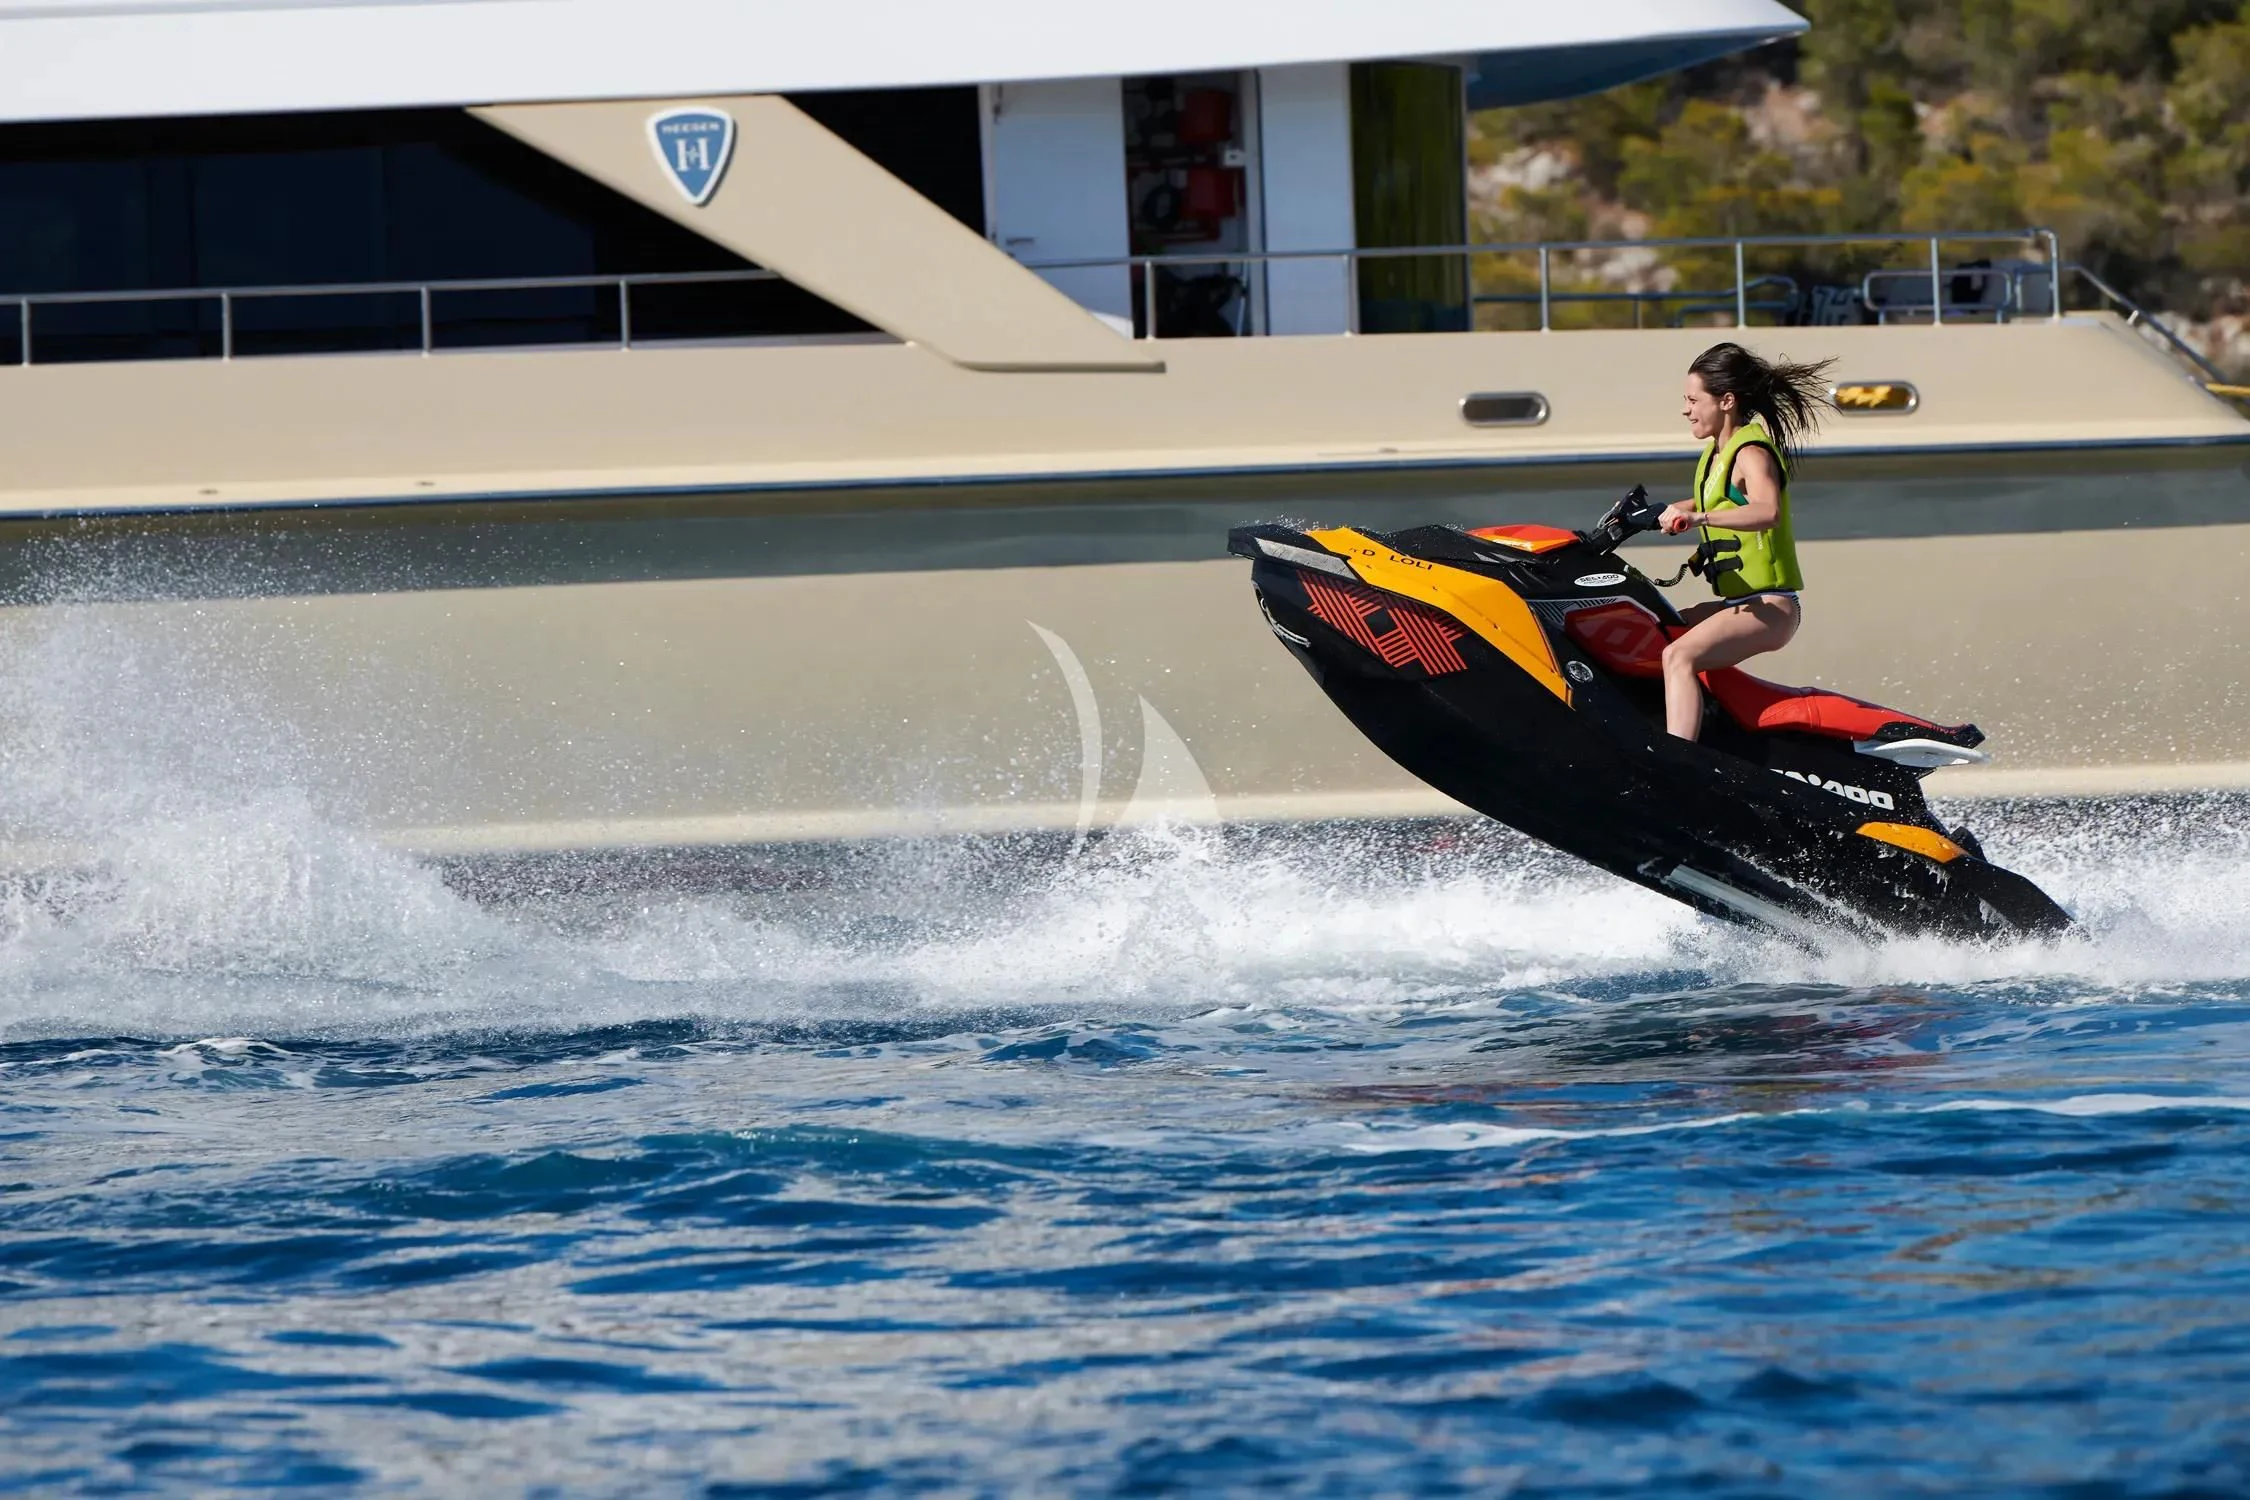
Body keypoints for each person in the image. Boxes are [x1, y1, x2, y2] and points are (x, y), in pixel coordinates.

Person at [1656, 342, 1836, 741]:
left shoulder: (1751, 452)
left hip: (1771, 608)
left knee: (1678, 655)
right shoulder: (1717, 455)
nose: (1685, 409)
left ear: (1726, 401)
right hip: (1737, 604)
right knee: (1657, 628)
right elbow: (1709, 500)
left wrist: (1697, 517)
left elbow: (1766, 510)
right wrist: (1664, 511)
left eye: (1692, 400)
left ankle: (1679, 761)